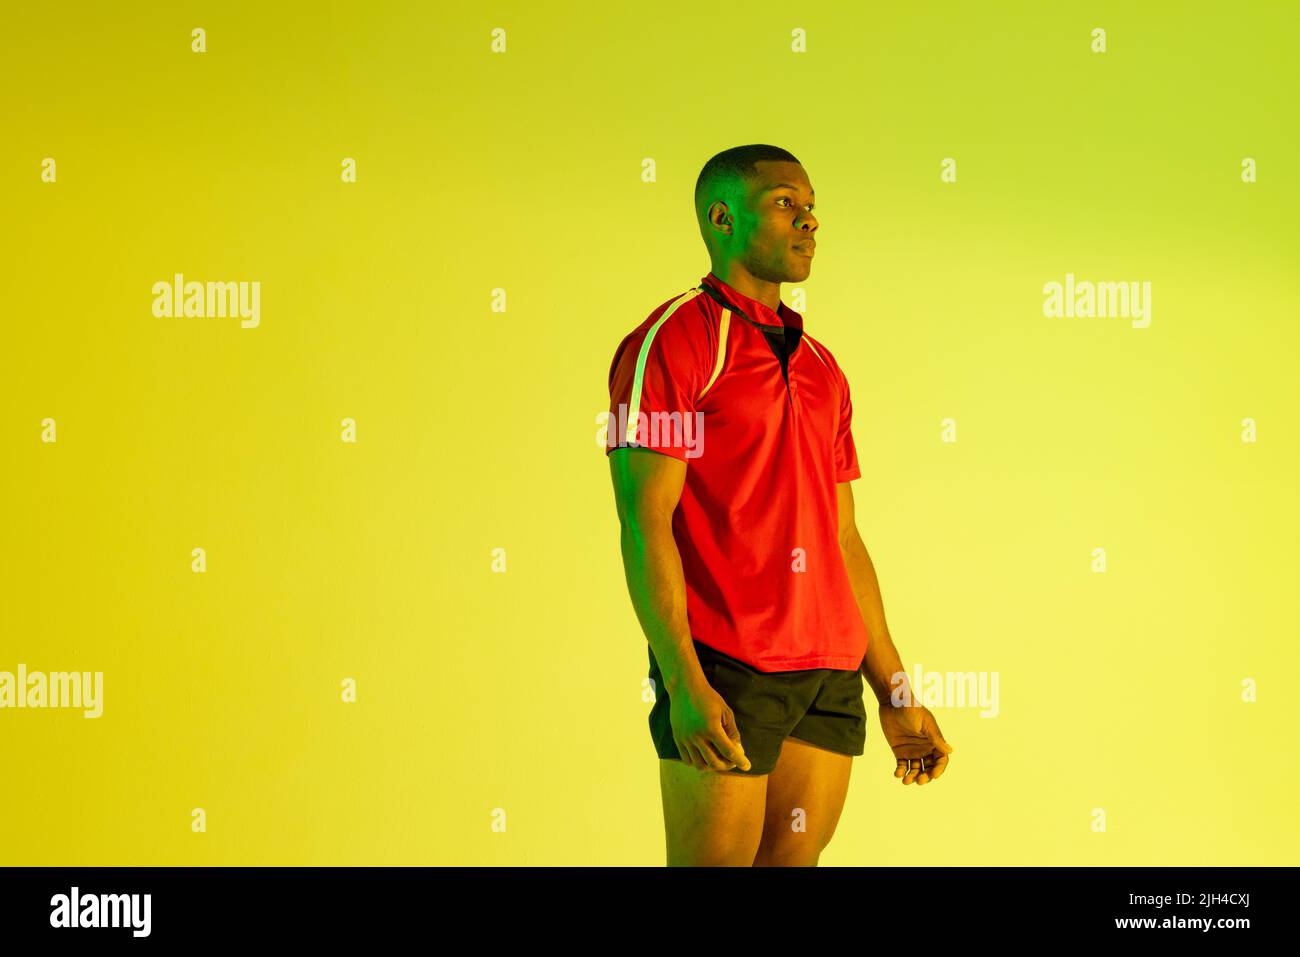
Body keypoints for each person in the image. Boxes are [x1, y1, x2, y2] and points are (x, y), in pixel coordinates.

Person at [605, 144, 953, 867]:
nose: (809, 221)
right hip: (727, 662)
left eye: (812, 206)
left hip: (827, 670)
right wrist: (682, 681)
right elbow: (645, 523)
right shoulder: (673, 342)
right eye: (786, 204)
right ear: (721, 217)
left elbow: (844, 538)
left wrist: (894, 691)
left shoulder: (824, 367)